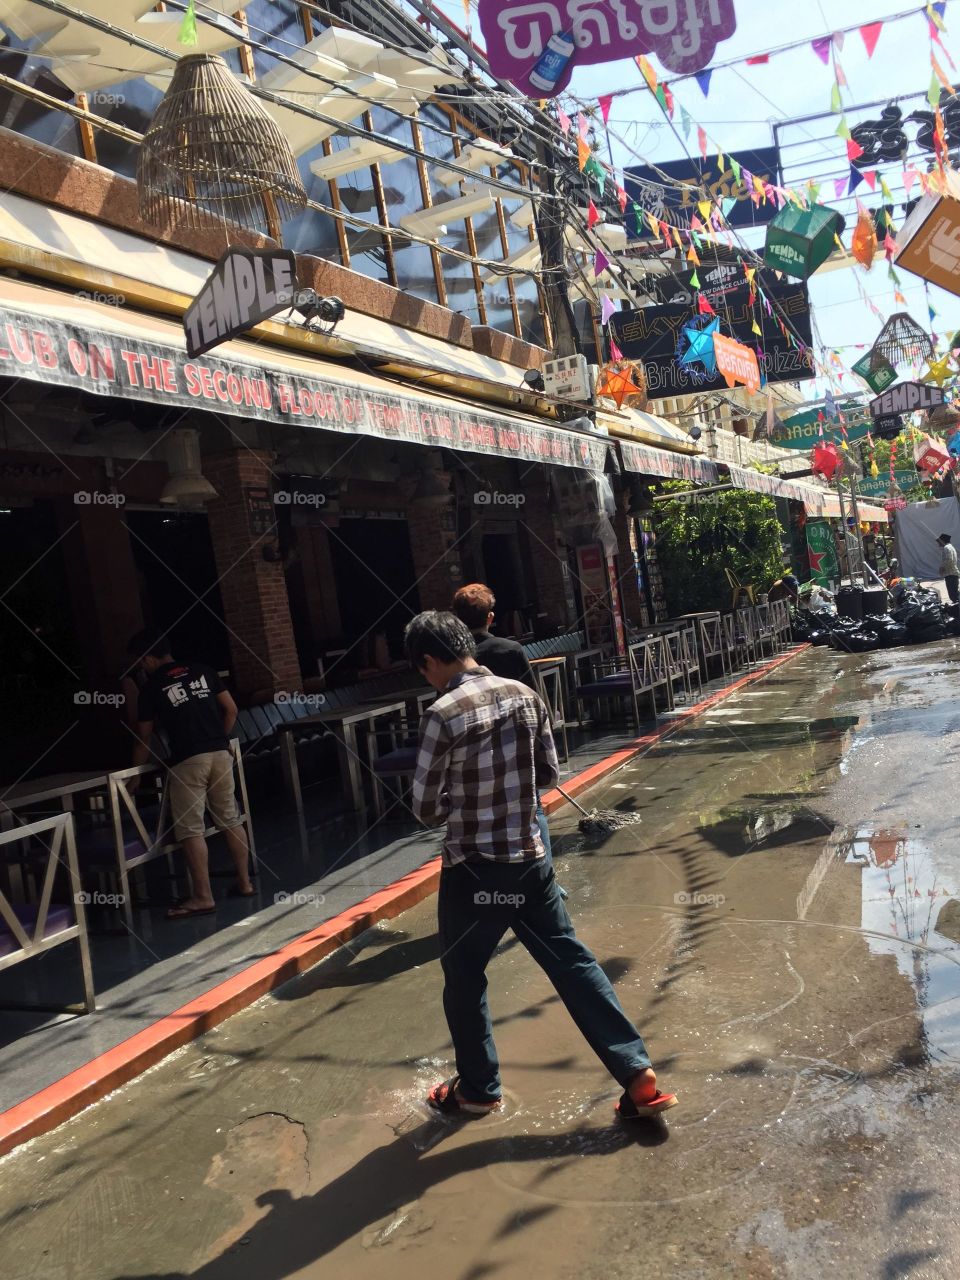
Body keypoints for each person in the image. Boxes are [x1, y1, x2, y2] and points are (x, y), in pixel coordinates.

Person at [405, 610, 676, 1121]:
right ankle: (636, 1072)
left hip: (473, 869)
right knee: (572, 963)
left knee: (465, 978)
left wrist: (462, 802)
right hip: (531, 861)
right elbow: (549, 774)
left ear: (428, 660)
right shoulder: (525, 695)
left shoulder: (442, 713)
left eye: (424, 671)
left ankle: (478, 1089)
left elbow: (422, 807)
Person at [128, 631, 253, 919]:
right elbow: (231, 710)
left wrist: (135, 775)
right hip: (220, 754)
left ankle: (203, 897)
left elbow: (143, 737)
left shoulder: (151, 687)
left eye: (140, 661)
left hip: (187, 761)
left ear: (148, 659)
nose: (140, 667)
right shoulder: (204, 671)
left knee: (190, 830)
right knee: (230, 819)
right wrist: (217, 739)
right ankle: (245, 883)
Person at [451, 582, 562, 892]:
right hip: (516, 746)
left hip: (474, 752)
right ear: (490, 617)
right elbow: (532, 700)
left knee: (481, 817)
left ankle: (491, 887)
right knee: (531, 810)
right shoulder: (509, 650)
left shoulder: (452, 659)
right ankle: (545, 881)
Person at [451, 582, 536, 688]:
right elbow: (532, 691)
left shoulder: (451, 658)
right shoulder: (512, 649)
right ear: (490, 617)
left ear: (458, 621)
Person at [937, 533, 959, 604]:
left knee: (953, 595)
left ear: (943, 541)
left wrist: (942, 568)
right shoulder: (950, 547)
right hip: (952, 573)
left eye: (939, 541)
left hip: (951, 574)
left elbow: (949, 559)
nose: (938, 544)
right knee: (955, 593)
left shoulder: (946, 548)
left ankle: (956, 608)